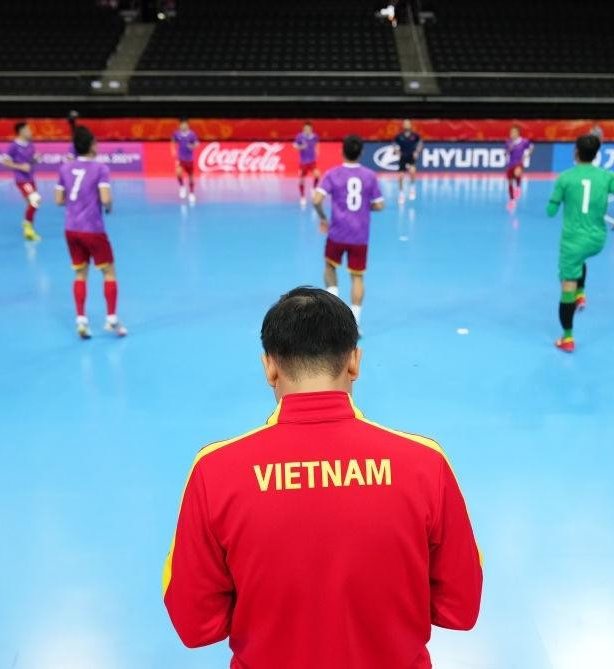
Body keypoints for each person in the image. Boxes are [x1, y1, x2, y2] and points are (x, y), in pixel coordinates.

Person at [163, 286, 483, 669]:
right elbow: (461, 607)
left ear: (269, 366)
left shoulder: (214, 471)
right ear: (354, 362)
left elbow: (195, 624)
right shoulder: (425, 464)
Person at [546, 135, 614, 353]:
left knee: (567, 285)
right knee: (581, 258)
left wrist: (556, 202)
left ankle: (567, 338)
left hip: (572, 241)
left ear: (576, 152)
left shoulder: (565, 178)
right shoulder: (606, 176)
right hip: (597, 240)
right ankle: (581, 293)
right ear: (596, 154)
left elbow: (550, 212)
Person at [54, 126, 127, 339]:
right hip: (93, 229)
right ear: (92, 146)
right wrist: (109, 206)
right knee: (109, 273)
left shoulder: (64, 168)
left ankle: (81, 321)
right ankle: (111, 318)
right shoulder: (101, 168)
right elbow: (105, 199)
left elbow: (58, 200)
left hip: (71, 229)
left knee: (80, 274)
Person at [313, 135, 384, 327]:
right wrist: (364, 208)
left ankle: (333, 305)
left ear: (341, 151)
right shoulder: (370, 175)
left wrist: (323, 218)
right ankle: (355, 323)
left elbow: (316, 200)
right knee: (357, 277)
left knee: (329, 267)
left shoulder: (333, 174)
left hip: (337, 233)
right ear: (361, 152)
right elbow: (379, 205)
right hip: (360, 236)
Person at [1, 121, 41, 241]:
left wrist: (34, 159)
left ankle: (28, 231)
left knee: (32, 204)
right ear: (21, 131)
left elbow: (30, 162)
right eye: (28, 129)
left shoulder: (30, 145)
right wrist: (20, 167)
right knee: (35, 200)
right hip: (22, 179)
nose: (30, 132)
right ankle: (27, 227)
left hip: (30, 178)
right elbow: (5, 161)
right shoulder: (13, 146)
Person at [393, 119, 422, 202]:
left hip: (411, 157)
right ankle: (401, 193)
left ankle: (412, 188)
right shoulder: (399, 136)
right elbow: (394, 144)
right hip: (403, 157)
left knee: (412, 171)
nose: (406, 125)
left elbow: (420, 144)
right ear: (403, 125)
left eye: (407, 123)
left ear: (410, 125)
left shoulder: (415, 135)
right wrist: (396, 150)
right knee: (401, 176)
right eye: (404, 123)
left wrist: (417, 152)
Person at [293, 121, 321, 208]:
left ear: (311, 129)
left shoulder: (315, 136)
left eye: (308, 129)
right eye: (305, 129)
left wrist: (317, 150)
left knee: (317, 175)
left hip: (312, 161)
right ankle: (302, 197)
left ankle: (314, 188)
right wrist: (301, 147)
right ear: (303, 129)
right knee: (301, 180)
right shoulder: (299, 136)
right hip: (303, 162)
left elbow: (317, 144)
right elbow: (294, 147)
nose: (307, 130)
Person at [172, 118, 199, 204]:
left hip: (189, 159)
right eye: (181, 124)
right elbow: (173, 140)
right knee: (178, 172)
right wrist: (173, 149)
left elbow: (197, 144)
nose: (183, 126)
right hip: (180, 158)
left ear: (187, 125)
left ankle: (191, 193)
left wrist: (192, 146)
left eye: (184, 124)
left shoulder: (192, 134)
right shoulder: (177, 133)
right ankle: (182, 187)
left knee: (191, 177)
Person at [505, 124, 533, 205]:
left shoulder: (524, 141)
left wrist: (527, 155)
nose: (512, 134)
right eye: (511, 132)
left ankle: (518, 187)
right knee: (510, 183)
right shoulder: (508, 142)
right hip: (510, 164)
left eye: (514, 132)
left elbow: (531, 147)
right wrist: (509, 149)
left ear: (518, 133)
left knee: (517, 173)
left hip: (519, 163)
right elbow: (505, 153)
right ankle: (512, 200)